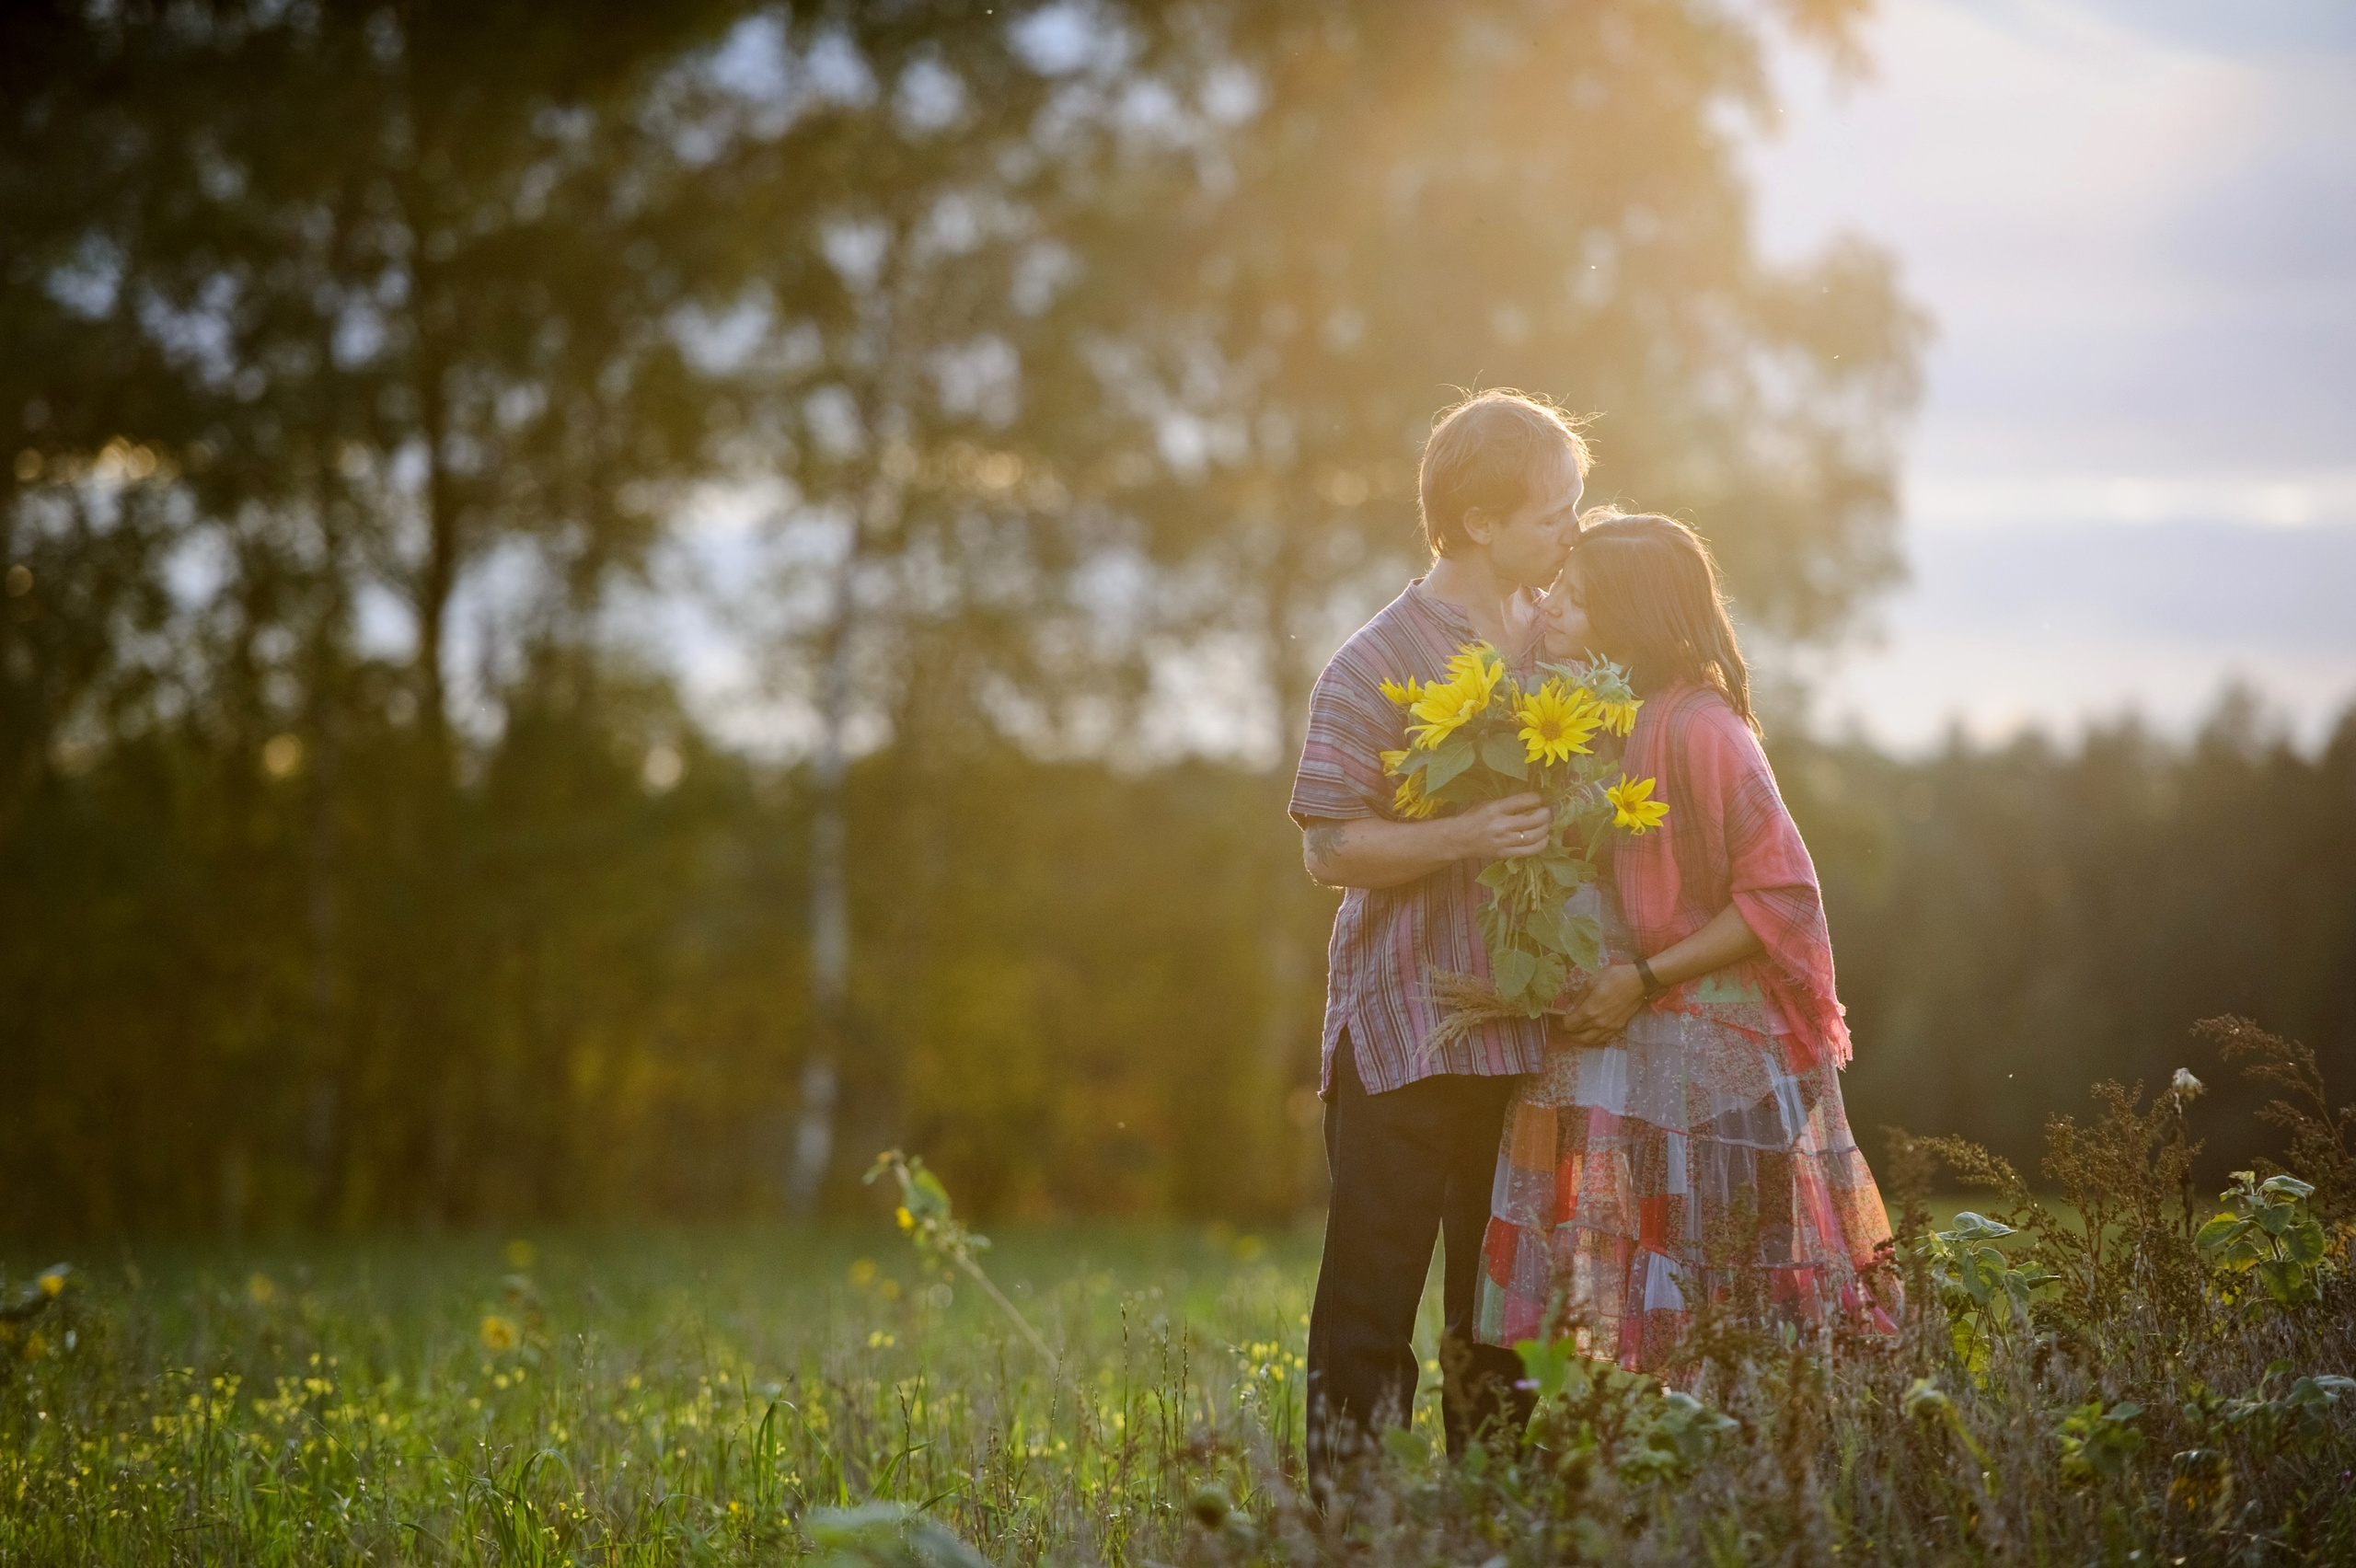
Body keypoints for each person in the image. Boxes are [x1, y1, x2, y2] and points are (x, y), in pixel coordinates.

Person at [1475, 513, 1900, 1373]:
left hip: (1716, 1070)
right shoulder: (1593, 718)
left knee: (1729, 1298)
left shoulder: (1705, 730)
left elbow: (1780, 897)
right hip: (1627, 1050)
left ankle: (1760, 1484)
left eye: (1579, 599)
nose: (1550, 606)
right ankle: (1655, 1483)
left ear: (1630, 623)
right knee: (1638, 1290)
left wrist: (1641, 976)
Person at [1288, 388, 1591, 1499]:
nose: (1573, 530)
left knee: (1502, 1313)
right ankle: (1351, 1526)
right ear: (1476, 521)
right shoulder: (1370, 663)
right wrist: (1463, 834)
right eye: (1554, 511)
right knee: (1371, 1303)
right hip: (1405, 1030)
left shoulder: (1562, 636)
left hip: (1526, 1034)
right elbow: (1327, 846)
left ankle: (1492, 1522)